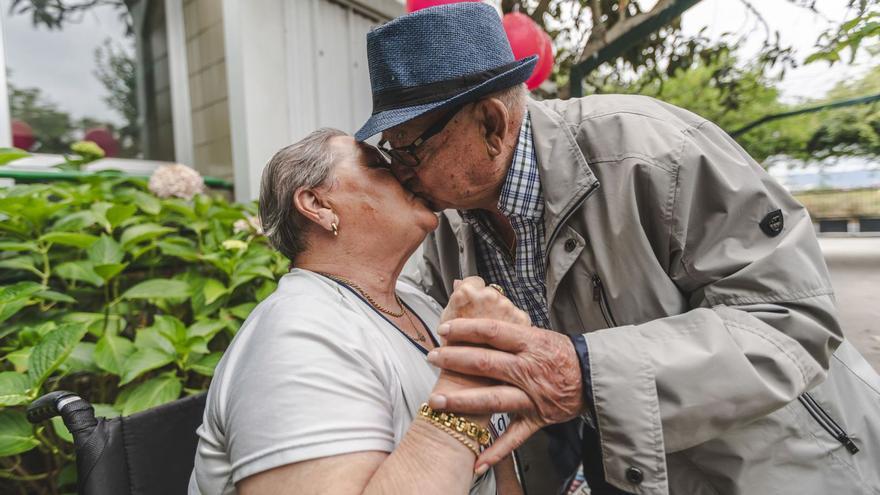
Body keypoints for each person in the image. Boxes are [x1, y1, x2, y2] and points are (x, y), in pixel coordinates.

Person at [354, 3, 880, 495]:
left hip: (777, 465)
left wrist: (583, 373)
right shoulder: (449, 218)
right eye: (390, 150)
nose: (399, 170)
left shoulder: (654, 153)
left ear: (491, 125)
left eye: (410, 147)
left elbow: (792, 321)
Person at [188, 128, 526, 495]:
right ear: (318, 205)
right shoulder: (297, 337)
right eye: (377, 164)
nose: (405, 171)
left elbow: (492, 468)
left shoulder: (415, 303)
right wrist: (469, 377)